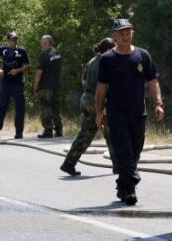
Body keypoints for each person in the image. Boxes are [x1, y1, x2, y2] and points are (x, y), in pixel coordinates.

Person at [96, 18, 163, 205]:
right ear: (115, 36)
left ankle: (123, 187)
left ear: (132, 33)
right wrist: (98, 112)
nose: (125, 36)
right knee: (124, 151)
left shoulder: (143, 55)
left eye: (128, 32)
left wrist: (158, 103)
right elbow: (101, 88)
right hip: (116, 113)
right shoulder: (107, 59)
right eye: (121, 33)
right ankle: (131, 186)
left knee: (135, 151)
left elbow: (152, 81)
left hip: (138, 112)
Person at [60, 37, 118, 177]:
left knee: (85, 134)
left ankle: (69, 163)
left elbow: (84, 81)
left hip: (86, 98)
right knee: (111, 133)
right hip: (99, 100)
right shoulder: (108, 61)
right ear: (109, 49)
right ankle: (119, 166)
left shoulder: (92, 61)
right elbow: (106, 85)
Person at [0, 31, 30, 140]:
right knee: (1, 106)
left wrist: (17, 70)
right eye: (12, 39)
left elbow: (27, 65)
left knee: (20, 108)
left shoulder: (22, 51)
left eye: (16, 39)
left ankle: (19, 132)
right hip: (6, 83)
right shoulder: (3, 50)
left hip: (18, 84)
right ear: (8, 40)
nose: (14, 41)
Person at [34, 34, 63, 138]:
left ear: (46, 43)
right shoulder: (58, 53)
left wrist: (35, 86)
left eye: (42, 43)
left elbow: (39, 73)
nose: (41, 45)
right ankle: (59, 130)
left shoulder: (44, 56)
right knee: (56, 108)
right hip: (56, 86)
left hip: (45, 87)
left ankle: (48, 130)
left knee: (46, 109)